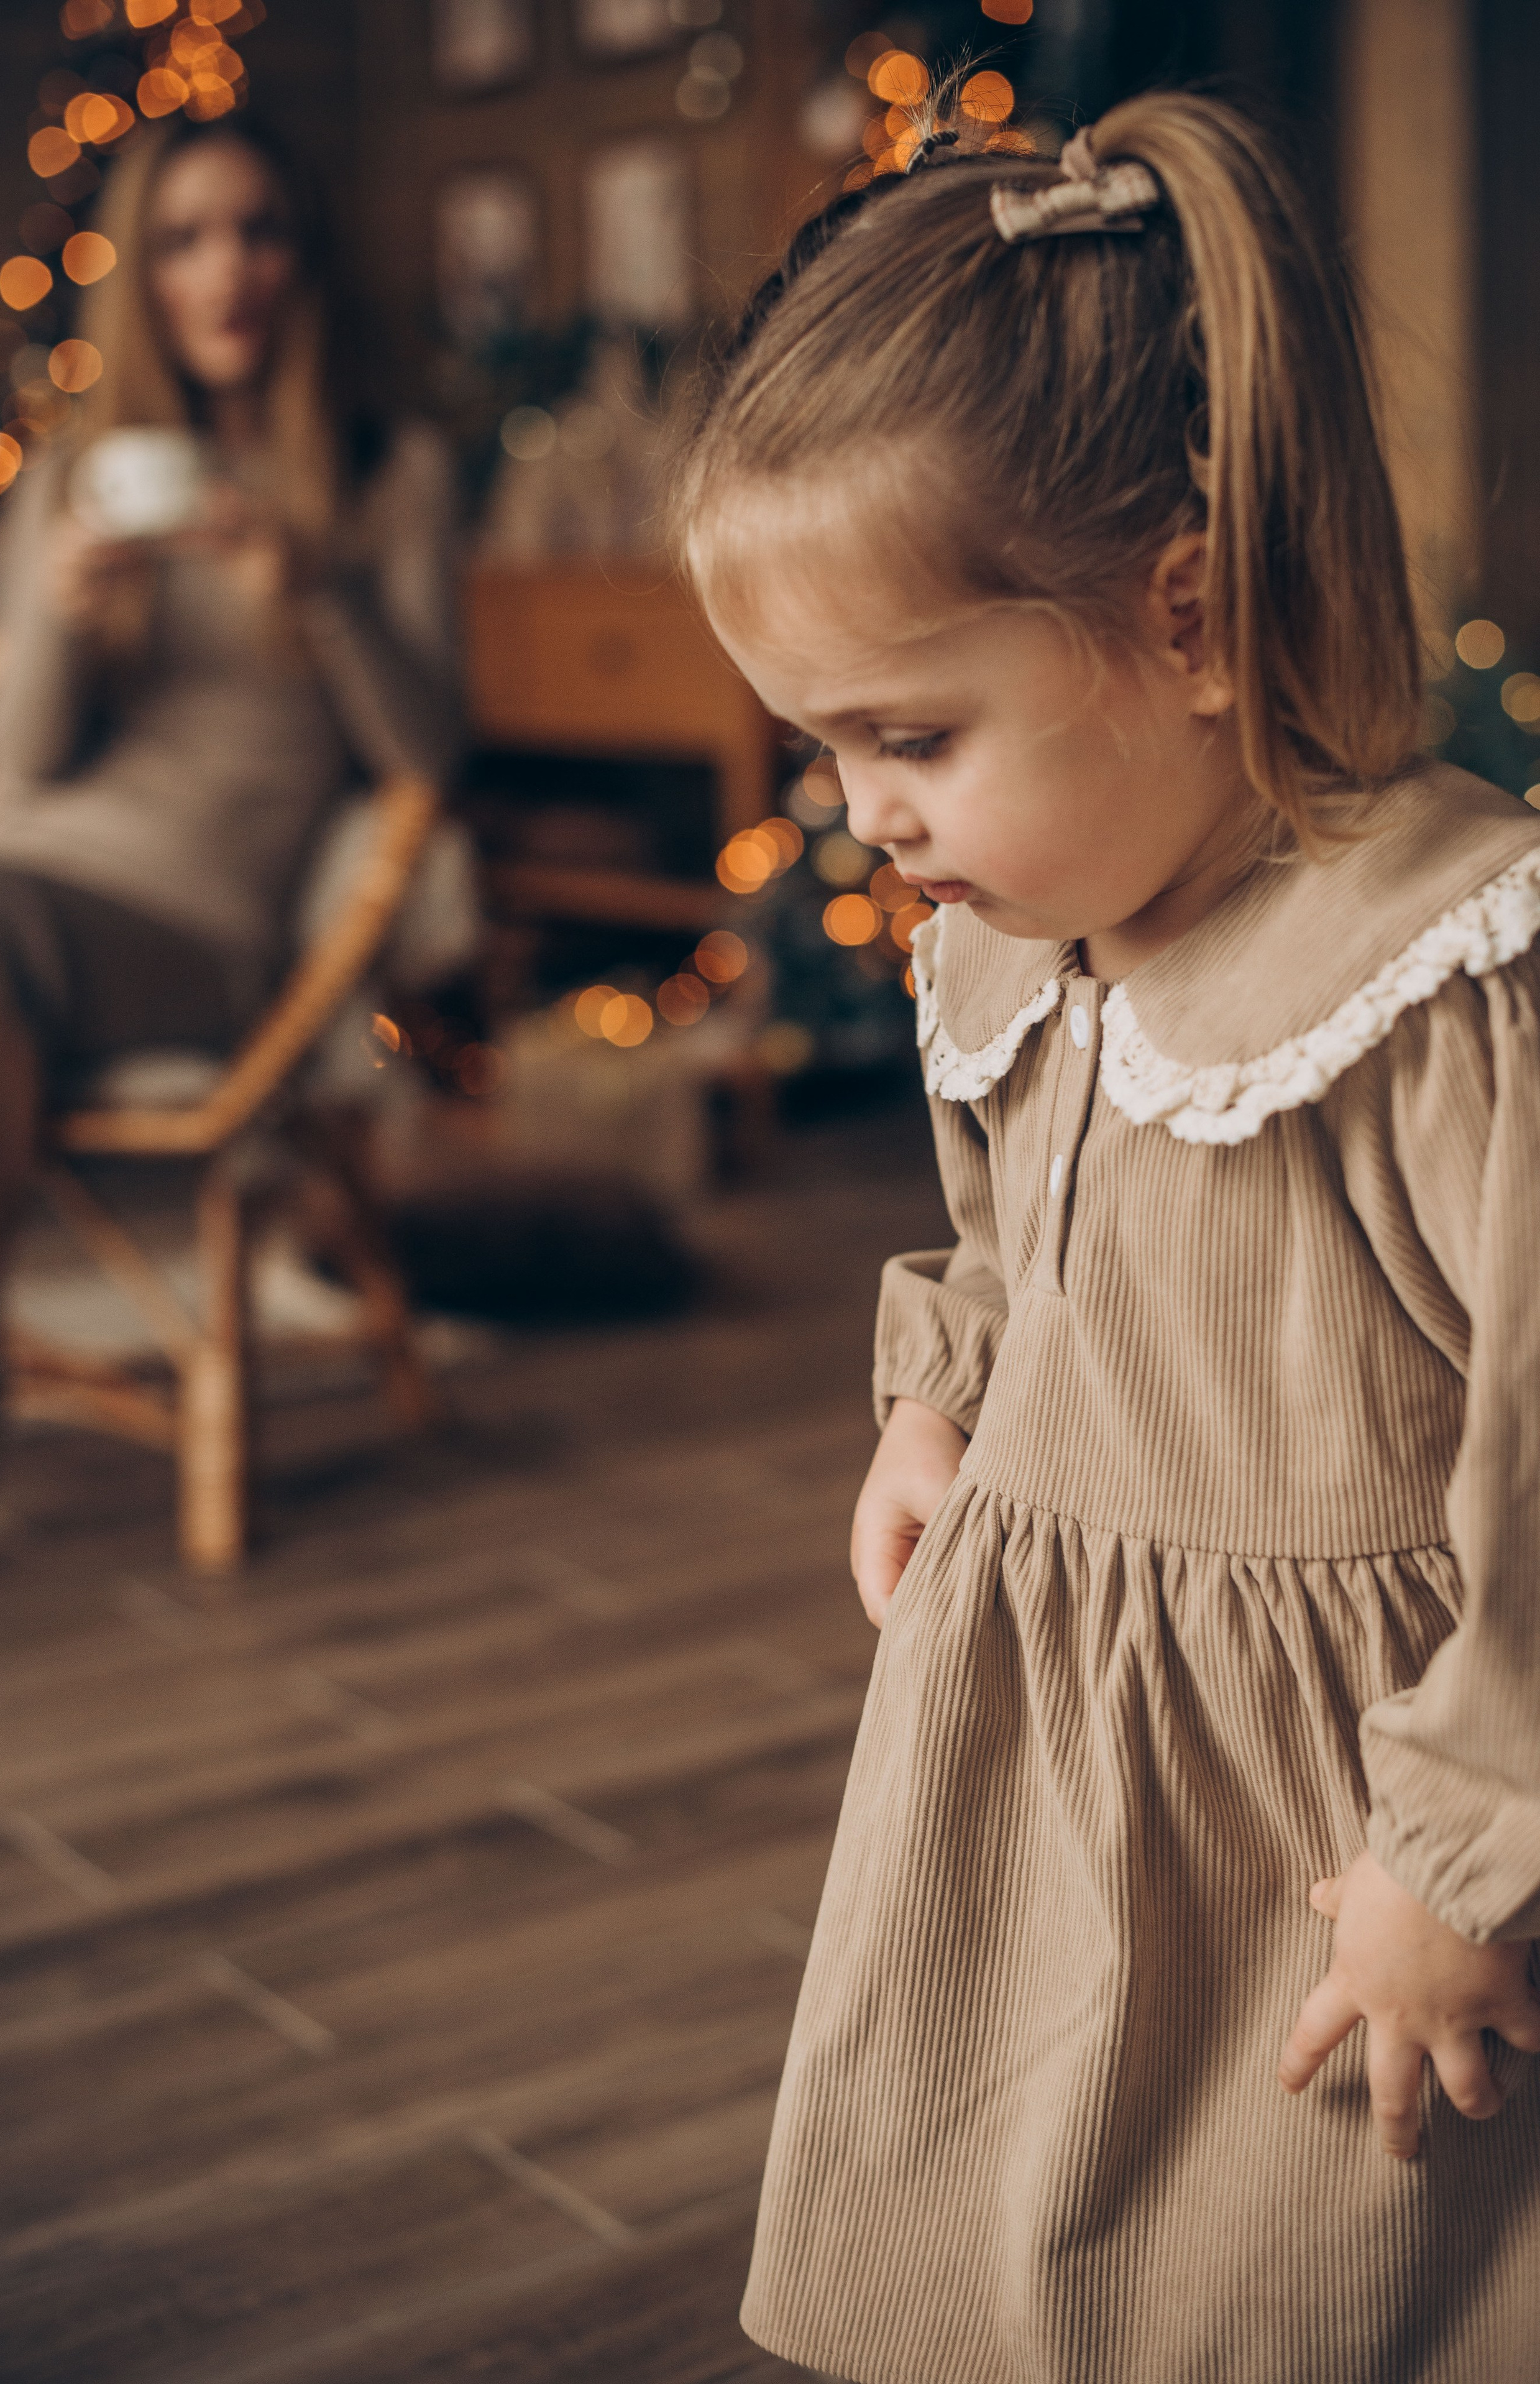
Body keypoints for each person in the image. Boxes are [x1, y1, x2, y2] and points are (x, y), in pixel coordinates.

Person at [671, 88, 1540, 2384]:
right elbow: (1028, 1234)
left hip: (1332, 1830)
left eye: (909, 733)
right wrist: (951, 1392)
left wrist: (1459, 1857)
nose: (863, 812)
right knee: (1021, 2244)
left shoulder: (1438, 976)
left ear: (1186, 608)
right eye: (825, 750)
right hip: (1050, 1766)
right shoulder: (1033, 915)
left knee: (1288, 2283)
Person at [0, 113, 464, 1571]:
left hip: (197, 929)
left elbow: (429, 754)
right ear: (144, 278)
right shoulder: (76, 474)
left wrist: (311, 588)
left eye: (256, 231)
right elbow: (24, 763)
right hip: (19, 888)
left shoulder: (385, 476)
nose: (223, 269)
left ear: (301, 260)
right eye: (182, 239)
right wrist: (53, 602)